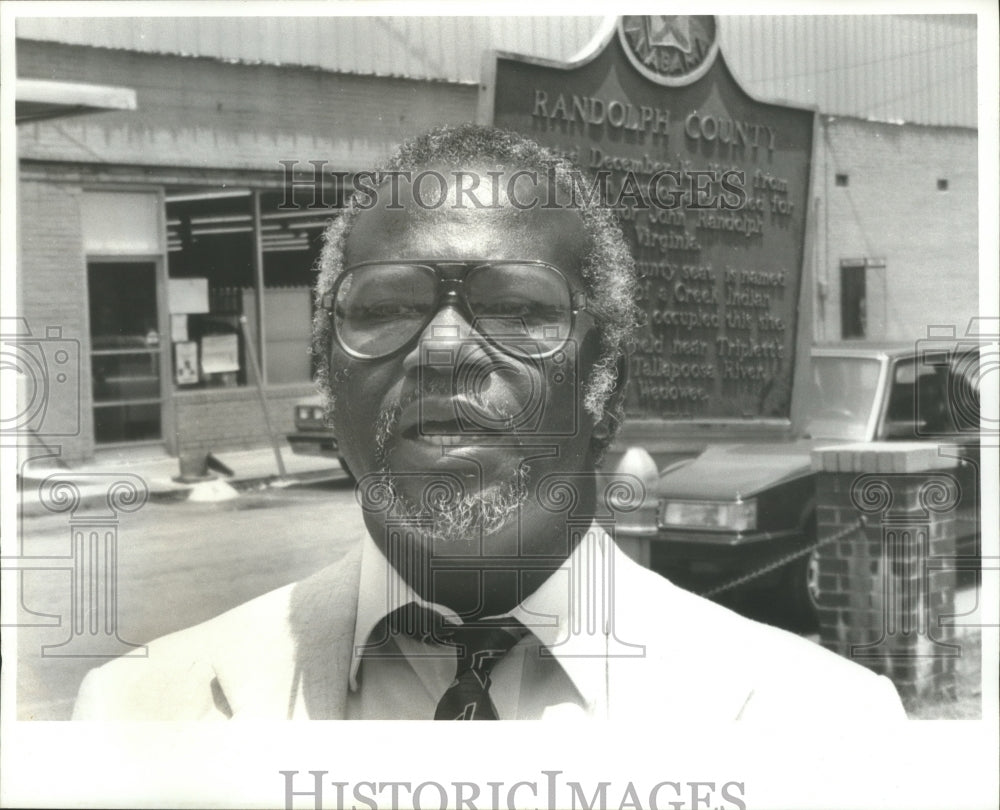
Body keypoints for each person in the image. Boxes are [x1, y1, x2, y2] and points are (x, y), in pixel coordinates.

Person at [73, 125, 905, 721]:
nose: (441, 347)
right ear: (330, 375)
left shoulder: (822, 727)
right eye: (387, 305)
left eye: (514, 307)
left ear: (606, 380)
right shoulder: (139, 713)